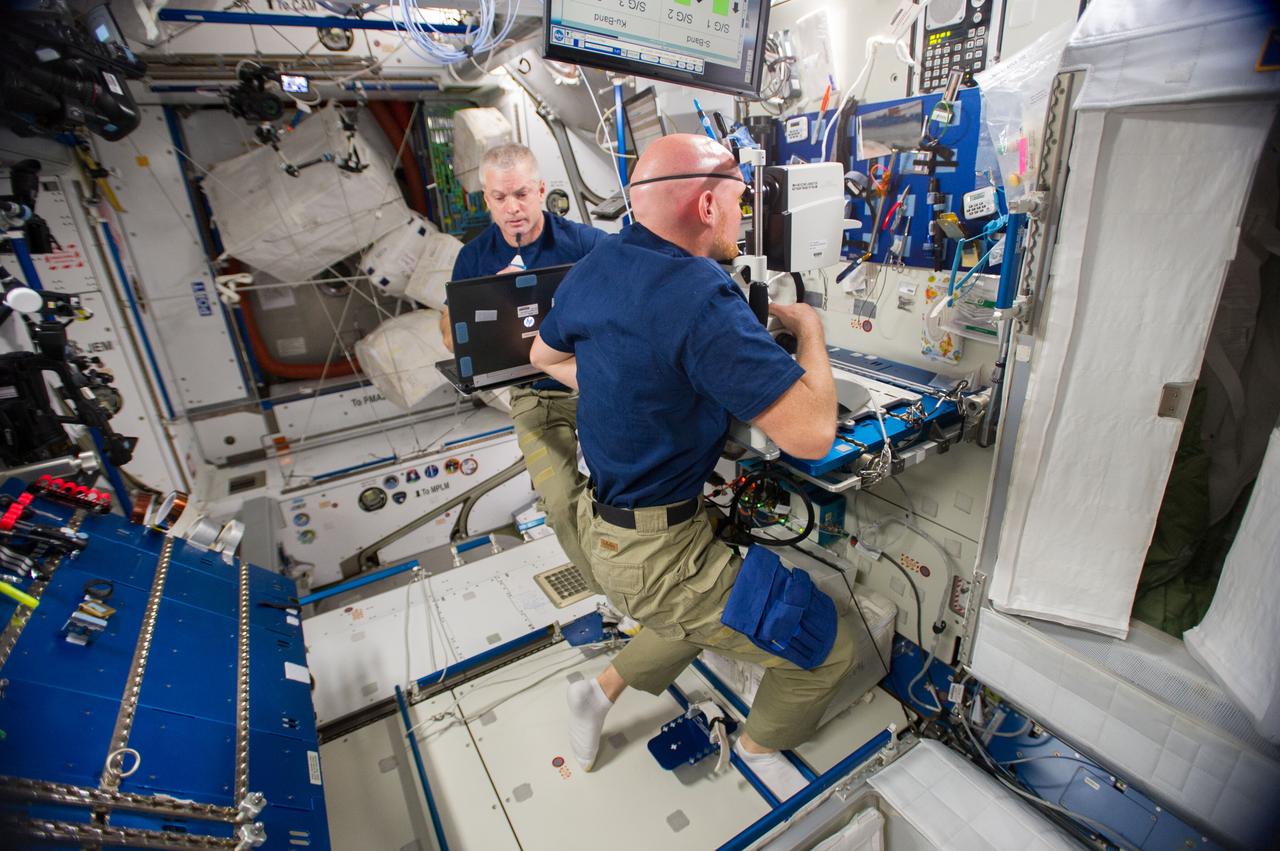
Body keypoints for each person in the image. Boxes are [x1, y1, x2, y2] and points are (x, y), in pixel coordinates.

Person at [531, 133, 860, 799]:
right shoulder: (698, 293)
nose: (742, 216)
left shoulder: (597, 263)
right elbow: (812, 434)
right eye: (740, 203)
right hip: (657, 558)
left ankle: (598, 692)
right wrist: (811, 332)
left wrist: (639, 393)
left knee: (692, 613)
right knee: (829, 649)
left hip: (610, 527)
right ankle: (758, 749)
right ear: (708, 206)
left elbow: (544, 355)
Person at [440, 143, 604, 591]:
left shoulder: (584, 243)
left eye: (521, 194)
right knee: (559, 503)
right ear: (486, 199)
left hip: (591, 381)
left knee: (624, 485)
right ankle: (608, 593)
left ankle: (631, 572)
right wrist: (491, 299)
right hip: (535, 397)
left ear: (541, 190)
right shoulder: (474, 258)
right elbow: (449, 334)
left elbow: (630, 287)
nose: (512, 208)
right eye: (499, 197)